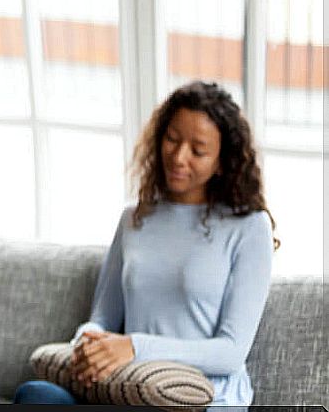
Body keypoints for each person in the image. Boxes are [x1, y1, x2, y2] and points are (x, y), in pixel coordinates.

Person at [15, 81, 277, 406]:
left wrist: (135, 347)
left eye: (198, 150)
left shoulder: (249, 228)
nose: (179, 157)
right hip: (131, 389)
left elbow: (230, 352)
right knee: (36, 396)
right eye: (172, 139)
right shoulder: (134, 218)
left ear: (222, 161)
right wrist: (87, 342)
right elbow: (103, 318)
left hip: (204, 398)